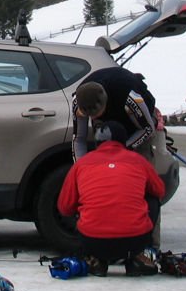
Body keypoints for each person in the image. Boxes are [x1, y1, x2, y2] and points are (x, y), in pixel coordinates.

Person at [71, 66, 171, 246]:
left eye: (97, 114)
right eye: (90, 116)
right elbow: (79, 139)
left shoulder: (130, 98)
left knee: (145, 188)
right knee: (106, 186)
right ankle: (109, 240)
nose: (92, 118)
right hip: (108, 134)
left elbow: (147, 129)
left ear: (105, 103)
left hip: (138, 129)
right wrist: (81, 168)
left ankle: (150, 246)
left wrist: (122, 152)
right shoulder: (79, 102)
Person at [57, 120, 164, 276]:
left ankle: (96, 260)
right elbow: (160, 190)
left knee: (79, 204)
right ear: (123, 140)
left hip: (93, 241)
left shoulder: (82, 164)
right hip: (135, 241)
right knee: (153, 200)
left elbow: (64, 207)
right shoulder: (138, 160)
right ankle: (138, 259)